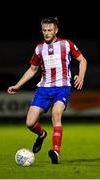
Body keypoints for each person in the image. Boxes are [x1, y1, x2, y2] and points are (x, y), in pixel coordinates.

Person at [7, 17, 87, 164]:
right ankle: (42, 134)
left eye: (50, 30)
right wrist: (18, 85)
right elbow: (32, 69)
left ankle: (55, 152)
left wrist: (81, 76)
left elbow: (82, 60)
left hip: (62, 88)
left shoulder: (66, 44)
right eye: (44, 30)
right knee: (30, 123)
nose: (47, 33)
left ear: (56, 30)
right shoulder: (39, 48)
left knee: (56, 114)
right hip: (43, 89)